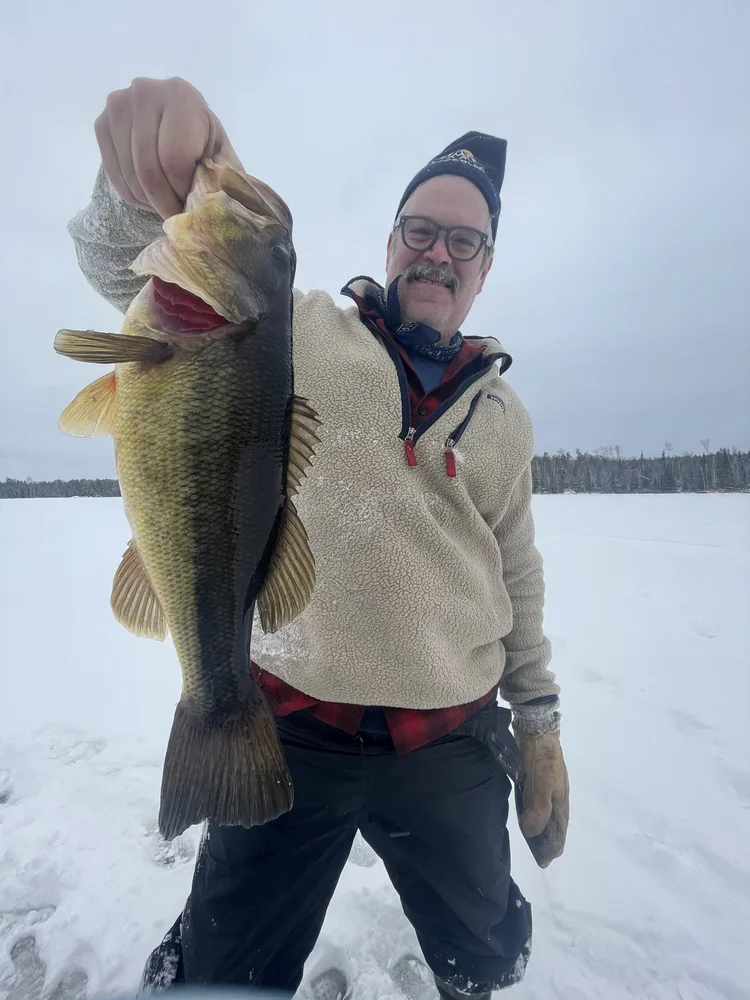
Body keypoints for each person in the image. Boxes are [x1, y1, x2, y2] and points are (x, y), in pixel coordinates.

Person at [68, 76, 570, 999]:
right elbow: (129, 265)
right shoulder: (293, 326)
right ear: (391, 242)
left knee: (485, 952)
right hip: (289, 721)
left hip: (450, 735)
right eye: (421, 229)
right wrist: (147, 179)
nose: (438, 253)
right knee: (223, 974)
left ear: (485, 266)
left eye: (465, 240)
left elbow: (519, 573)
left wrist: (537, 724)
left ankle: (482, 962)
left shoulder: (506, 416)